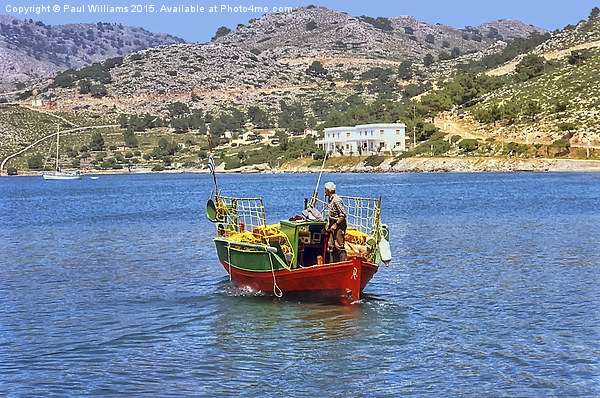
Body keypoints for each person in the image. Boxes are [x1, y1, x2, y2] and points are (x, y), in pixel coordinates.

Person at [324, 181, 347, 262]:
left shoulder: (336, 200)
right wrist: (328, 223)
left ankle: (343, 262)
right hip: (332, 222)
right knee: (332, 245)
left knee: (339, 245)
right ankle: (334, 262)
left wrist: (336, 224)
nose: (325, 191)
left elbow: (343, 215)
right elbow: (331, 213)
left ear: (328, 191)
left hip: (339, 224)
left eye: (325, 190)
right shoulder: (330, 199)